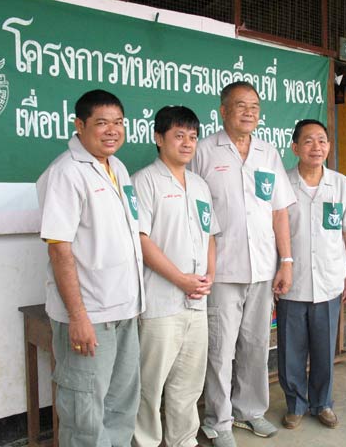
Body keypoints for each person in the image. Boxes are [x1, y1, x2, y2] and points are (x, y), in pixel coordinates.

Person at [190, 81, 296, 447]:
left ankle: (249, 411)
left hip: (263, 268)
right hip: (221, 270)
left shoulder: (268, 153)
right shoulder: (204, 151)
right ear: (223, 110)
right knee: (220, 349)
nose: (249, 112)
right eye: (240, 105)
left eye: (254, 106)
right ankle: (218, 421)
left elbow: (279, 211)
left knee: (255, 344)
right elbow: (193, 211)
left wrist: (286, 261)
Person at [36, 89, 145, 446]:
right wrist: (78, 317)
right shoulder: (66, 172)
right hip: (90, 315)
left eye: (119, 123)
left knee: (120, 405)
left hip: (125, 309)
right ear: (80, 125)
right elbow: (59, 250)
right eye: (102, 123)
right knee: (84, 413)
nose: (112, 130)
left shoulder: (118, 168)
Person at [130, 106, 219, 447]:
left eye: (192, 137)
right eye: (178, 136)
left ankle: (183, 440)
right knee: (150, 386)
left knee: (188, 383)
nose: (187, 143)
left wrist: (209, 275)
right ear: (158, 138)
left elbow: (210, 235)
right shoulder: (144, 181)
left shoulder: (199, 185)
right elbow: (141, 240)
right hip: (161, 303)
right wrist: (181, 279)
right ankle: (147, 442)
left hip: (197, 301)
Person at [276, 119, 346, 430]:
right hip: (292, 283)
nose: (316, 147)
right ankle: (295, 405)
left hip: (329, 282)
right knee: (290, 351)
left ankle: (322, 403)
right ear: (295, 147)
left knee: (325, 350)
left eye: (322, 141)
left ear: (328, 146)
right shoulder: (282, 184)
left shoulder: (340, 184)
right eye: (308, 141)